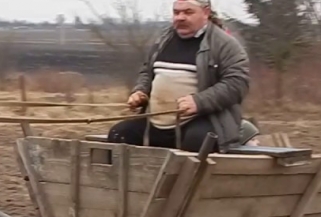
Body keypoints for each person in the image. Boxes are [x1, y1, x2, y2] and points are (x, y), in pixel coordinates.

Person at [106, 0, 250, 153]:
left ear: (206, 13)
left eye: (188, 12)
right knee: (119, 134)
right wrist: (140, 91)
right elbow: (147, 72)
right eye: (176, 12)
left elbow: (237, 84)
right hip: (156, 122)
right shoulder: (163, 40)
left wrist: (199, 102)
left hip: (203, 121)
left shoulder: (225, 45)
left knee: (197, 141)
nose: (180, 17)